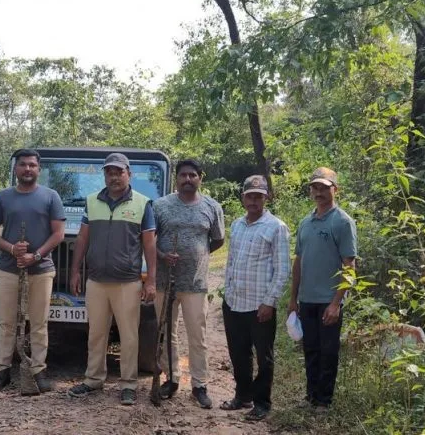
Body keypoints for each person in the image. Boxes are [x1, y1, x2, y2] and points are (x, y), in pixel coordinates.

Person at [66, 152, 157, 406]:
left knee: (129, 336)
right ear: (104, 175)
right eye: (109, 172)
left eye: (119, 172)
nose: (114, 177)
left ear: (129, 174)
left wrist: (151, 279)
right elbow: (82, 238)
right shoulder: (92, 201)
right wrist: (75, 271)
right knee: (96, 333)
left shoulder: (143, 204)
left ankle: (128, 384)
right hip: (96, 281)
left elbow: (150, 245)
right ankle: (93, 379)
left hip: (127, 282)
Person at [0, 149, 66, 394]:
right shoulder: (3, 197)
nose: (27, 169)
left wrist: (35, 255)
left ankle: (38, 370)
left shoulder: (51, 196)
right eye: (22, 165)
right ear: (16, 168)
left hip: (41, 270)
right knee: (7, 322)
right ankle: (2, 370)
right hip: (9, 269)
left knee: (39, 323)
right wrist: (11, 249)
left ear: (39, 169)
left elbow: (58, 234)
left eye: (32, 165)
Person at [151, 159, 225, 409]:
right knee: (165, 334)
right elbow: (149, 240)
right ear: (176, 178)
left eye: (193, 175)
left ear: (200, 178)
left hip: (196, 283)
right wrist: (162, 256)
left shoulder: (212, 207)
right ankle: (171, 379)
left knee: (197, 335)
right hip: (165, 282)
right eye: (183, 175)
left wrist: (199, 254)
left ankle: (199, 385)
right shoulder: (161, 206)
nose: (188, 179)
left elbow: (217, 240)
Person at [220, 175, 291, 421]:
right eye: (249, 196)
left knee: (264, 356)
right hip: (234, 302)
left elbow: (282, 269)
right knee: (238, 353)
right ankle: (243, 395)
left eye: (258, 196)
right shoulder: (237, 225)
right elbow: (231, 262)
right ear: (243, 198)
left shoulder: (276, 227)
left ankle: (262, 403)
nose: (253, 201)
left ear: (266, 198)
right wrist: (227, 292)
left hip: (260, 304)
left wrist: (269, 301)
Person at [288, 167, 357, 413]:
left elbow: (349, 267)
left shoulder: (342, 222)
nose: (319, 192)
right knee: (311, 349)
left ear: (335, 190)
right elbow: (299, 262)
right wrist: (293, 298)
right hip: (307, 299)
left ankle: (324, 401)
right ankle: (311, 395)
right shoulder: (305, 223)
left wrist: (336, 303)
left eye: (324, 188)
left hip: (329, 300)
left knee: (328, 352)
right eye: (315, 188)